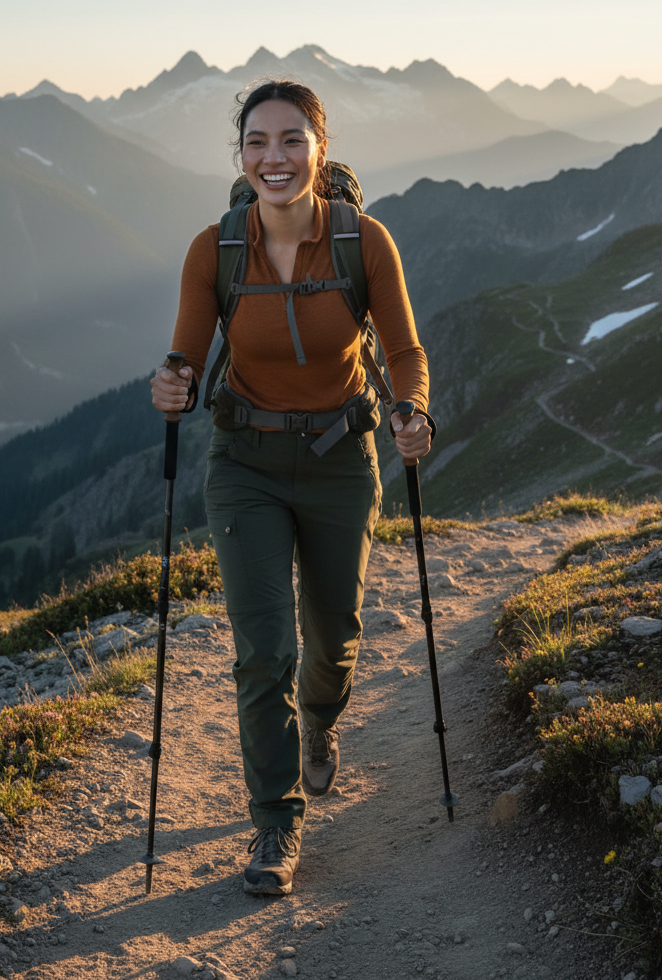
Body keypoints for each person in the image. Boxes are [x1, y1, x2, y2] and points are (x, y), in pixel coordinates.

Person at [150, 79, 433, 896]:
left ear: (319, 148)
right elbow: (184, 358)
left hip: (343, 459)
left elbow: (406, 355)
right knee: (262, 649)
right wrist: (170, 385)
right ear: (240, 156)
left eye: (290, 141)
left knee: (334, 638)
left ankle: (318, 723)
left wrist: (413, 412)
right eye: (257, 143)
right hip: (245, 464)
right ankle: (275, 824)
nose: (273, 158)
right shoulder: (216, 249)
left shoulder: (363, 241)